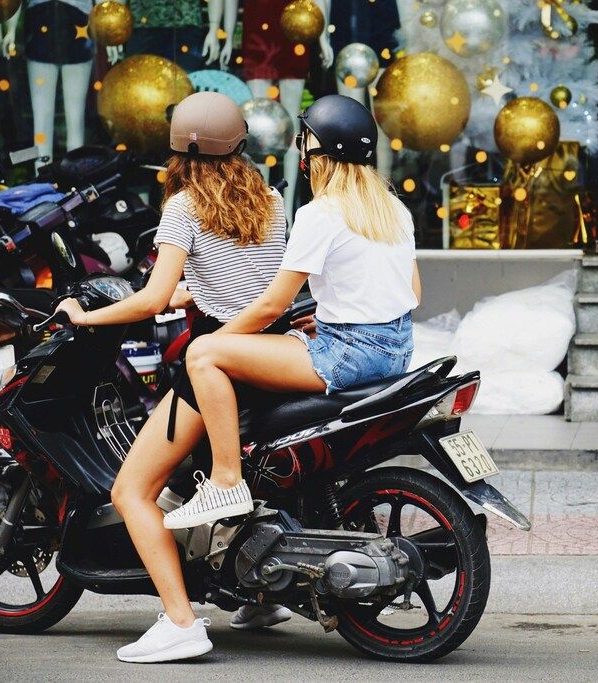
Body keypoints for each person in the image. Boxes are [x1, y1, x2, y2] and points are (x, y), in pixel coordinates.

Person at [53, 91, 290, 662]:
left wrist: (86, 316)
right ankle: (261, 595)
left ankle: (181, 622)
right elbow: (249, 282)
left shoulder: (184, 206)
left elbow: (151, 297)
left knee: (131, 490)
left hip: (216, 367)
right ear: (238, 144)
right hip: (268, 357)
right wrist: (194, 290)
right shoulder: (272, 200)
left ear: (180, 151)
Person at [172, 94, 419, 532]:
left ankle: (226, 480)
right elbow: (410, 291)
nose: (300, 152)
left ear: (319, 154)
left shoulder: (319, 213)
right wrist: (330, 319)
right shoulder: (393, 208)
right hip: (395, 351)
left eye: (305, 142)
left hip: (346, 355)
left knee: (203, 355)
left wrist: (222, 339)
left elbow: (273, 303)